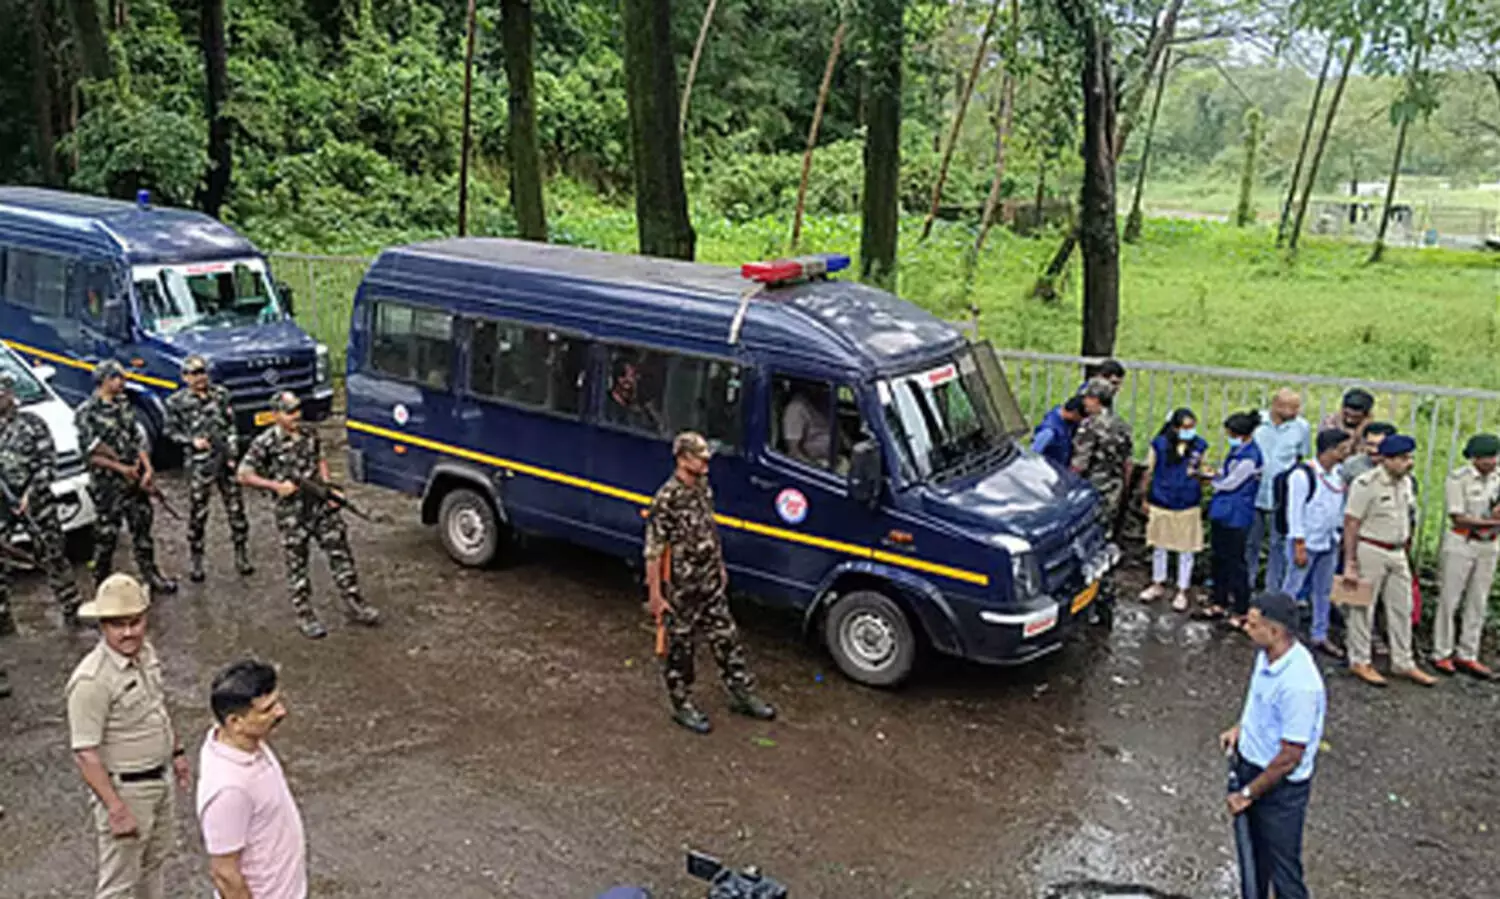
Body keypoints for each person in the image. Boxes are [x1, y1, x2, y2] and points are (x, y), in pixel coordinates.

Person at [66, 574, 191, 899]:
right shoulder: (91, 681)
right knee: (119, 884)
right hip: (126, 790)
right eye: (117, 624)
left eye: (134, 622)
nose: (128, 632)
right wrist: (115, 807)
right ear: (103, 626)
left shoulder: (145, 654)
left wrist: (176, 752)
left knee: (154, 865)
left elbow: (157, 706)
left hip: (159, 781)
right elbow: (86, 754)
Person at [644, 432, 775, 734]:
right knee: (681, 648)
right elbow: (653, 550)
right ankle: (682, 704)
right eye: (700, 456)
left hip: (710, 581)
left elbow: (709, 527)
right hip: (682, 588)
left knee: (726, 636)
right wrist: (655, 596)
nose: (707, 461)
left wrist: (720, 565)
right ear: (683, 458)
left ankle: (741, 692)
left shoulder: (702, 487)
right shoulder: (667, 499)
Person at [238, 392, 380, 639]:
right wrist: (276, 486)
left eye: (297, 410)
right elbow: (243, 474)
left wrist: (328, 488)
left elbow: (319, 458)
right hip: (292, 512)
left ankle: (354, 602)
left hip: (319, 505)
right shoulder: (265, 442)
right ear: (276, 415)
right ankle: (305, 614)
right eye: (289, 412)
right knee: (297, 564)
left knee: (340, 552)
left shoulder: (308, 433)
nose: (296, 416)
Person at [1219, 592, 1326, 899]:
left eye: (1253, 624)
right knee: (1254, 861)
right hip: (1251, 766)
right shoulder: (1267, 654)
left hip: (1279, 788)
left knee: (1284, 871)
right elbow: (1258, 701)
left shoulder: (1299, 684)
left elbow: (1291, 756)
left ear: (1276, 631)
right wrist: (1241, 727)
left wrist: (1248, 794)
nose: (1245, 628)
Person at [197, 659, 308, 899]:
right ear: (235, 722)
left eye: (277, 702)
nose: (281, 712)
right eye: (267, 709)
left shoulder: (243, 743)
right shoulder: (229, 790)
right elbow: (225, 874)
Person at [1341, 434, 1437, 687]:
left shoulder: (1405, 483)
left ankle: (1403, 661)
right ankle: (1360, 659)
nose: (1409, 463)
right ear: (1388, 460)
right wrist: (1349, 562)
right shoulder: (1366, 483)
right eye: (1404, 458)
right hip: (1370, 548)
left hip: (1397, 551)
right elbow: (1351, 522)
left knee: (1402, 607)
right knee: (1362, 607)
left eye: (1410, 457)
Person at [75, 360, 177, 595]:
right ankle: (102, 583)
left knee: (142, 530)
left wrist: (147, 468)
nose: (122, 382)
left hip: (135, 481)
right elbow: (90, 455)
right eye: (117, 378)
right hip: (107, 485)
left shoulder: (123, 404)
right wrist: (121, 469)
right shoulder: (87, 412)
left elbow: (136, 438)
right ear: (104, 381)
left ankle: (152, 576)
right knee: (106, 536)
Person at [0, 372, 82, 629]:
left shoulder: (32, 423)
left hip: (37, 503)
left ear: (10, 394)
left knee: (53, 555)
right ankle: (3, 620)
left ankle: (72, 608)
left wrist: (30, 494)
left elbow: (49, 464)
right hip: (3, 508)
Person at [165, 355, 254, 583]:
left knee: (236, 510)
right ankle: (196, 559)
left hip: (225, 461)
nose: (200, 377)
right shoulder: (176, 402)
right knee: (198, 513)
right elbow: (169, 432)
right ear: (185, 377)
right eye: (194, 373)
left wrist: (232, 452)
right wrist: (191, 441)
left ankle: (241, 554)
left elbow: (231, 424)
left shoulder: (221, 395)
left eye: (202, 371)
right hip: (199, 464)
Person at [1280, 429, 1354, 659]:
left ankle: (1319, 633)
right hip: (1306, 540)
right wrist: (1298, 543)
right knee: (1292, 587)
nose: (1347, 453)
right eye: (1343, 449)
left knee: (1323, 590)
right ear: (1330, 450)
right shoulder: (1303, 475)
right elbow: (1295, 512)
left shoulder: (1338, 475)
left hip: (1328, 539)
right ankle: (1281, 632)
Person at [1431, 433, 1500, 678]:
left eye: (1494, 457)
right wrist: (1489, 521)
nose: (1491, 462)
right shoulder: (1458, 479)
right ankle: (1442, 652)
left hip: (1489, 543)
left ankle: (1468, 653)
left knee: (1478, 600)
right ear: (1474, 459)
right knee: (1450, 599)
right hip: (1462, 540)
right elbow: (1457, 516)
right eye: (1486, 458)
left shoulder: (1498, 479)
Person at [1139, 408, 1209, 611]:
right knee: (1160, 547)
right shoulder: (1159, 445)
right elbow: (1148, 471)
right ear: (1175, 428)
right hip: (1162, 501)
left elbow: (1202, 470)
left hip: (1187, 502)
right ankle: (1157, 583)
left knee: (1186, 550)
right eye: (1186, 427)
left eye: (1192, 427)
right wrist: (1144, 498)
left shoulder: (1199, 446)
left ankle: (1182, 590)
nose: (1190, 431)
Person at [1246, 389, 1312, 593]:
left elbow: (1301, 458)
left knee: (1279, 543)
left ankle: (1272, 589)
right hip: (1255, 490)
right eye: (1288, 406)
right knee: (1251, 541)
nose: (1294, 411)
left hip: (1283, 495)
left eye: (1296, 407)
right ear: (1275, 405)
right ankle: (1246, 583)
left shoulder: (1302, 427)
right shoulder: (1257, 422)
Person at [1205, 412, 1264, 625]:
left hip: (1237, 515)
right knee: (1218, 558)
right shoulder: (1238, 450)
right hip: (1224, 513)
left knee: (1236, 563)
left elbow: (1232, 483)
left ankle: (1241, 609)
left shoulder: (1250, 457)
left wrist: (1211, 481)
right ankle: (1218, 601)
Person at [782, 383, 833, 467]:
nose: (821, 388)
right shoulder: (796, 408)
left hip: (834, 457)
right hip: (815, 463)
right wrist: (815, 467)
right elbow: (794, 452)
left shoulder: (824, 401)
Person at [1032, 395, 1087, 468]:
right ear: (1075, 413)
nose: (1082, 420)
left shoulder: (1067, 422)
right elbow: (1032, 454)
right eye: (1083, 417)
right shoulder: (1049, 431)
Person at [1339, 421, 1396, 486]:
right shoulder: (1352, 465)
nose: (1374, 450)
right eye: (1370, 444)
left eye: (1380, 446)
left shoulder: (1399, 466)